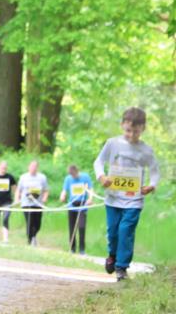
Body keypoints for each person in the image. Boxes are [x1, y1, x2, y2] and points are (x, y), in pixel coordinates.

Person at [94, 107, 160, 280]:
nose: (131, 135)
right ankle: (113, 255)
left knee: (126, 230)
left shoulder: (146, 150)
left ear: (143, 129)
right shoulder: (112, 143)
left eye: (136, 132)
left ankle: (122, 267)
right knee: (113, 231)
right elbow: (99, 162)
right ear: (122, 125)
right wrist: (102, 176)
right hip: (113, 198)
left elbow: (154, 171)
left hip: (134, 199)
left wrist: (151, 185)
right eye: (128, 130)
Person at [59, 164, 94, 254]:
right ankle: (72, 248)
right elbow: (64, 190)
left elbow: (90, 189)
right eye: (71, 174)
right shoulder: (68, 179)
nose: (73, 176)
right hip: (72, 206)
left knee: (81, 227)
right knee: (72, 228)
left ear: (76, 171)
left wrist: (90, 199)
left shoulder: (85, 177)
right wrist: (62, 196)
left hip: (82, 206)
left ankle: (82, 249)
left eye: (73, 174)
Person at [16, 160, 49, 246]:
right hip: (26, 203)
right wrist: (17, 198)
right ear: (28, 167)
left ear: (37, 168)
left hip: (38, 204)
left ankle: (33, 236)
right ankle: (30, 240)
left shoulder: (42, 177)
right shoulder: (23, 177)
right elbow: (18, 190)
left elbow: (46, 190)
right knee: (29, 222)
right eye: (32, 166)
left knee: (37, 224)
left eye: (35, 167)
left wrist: (45, 198)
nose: (33, 168)